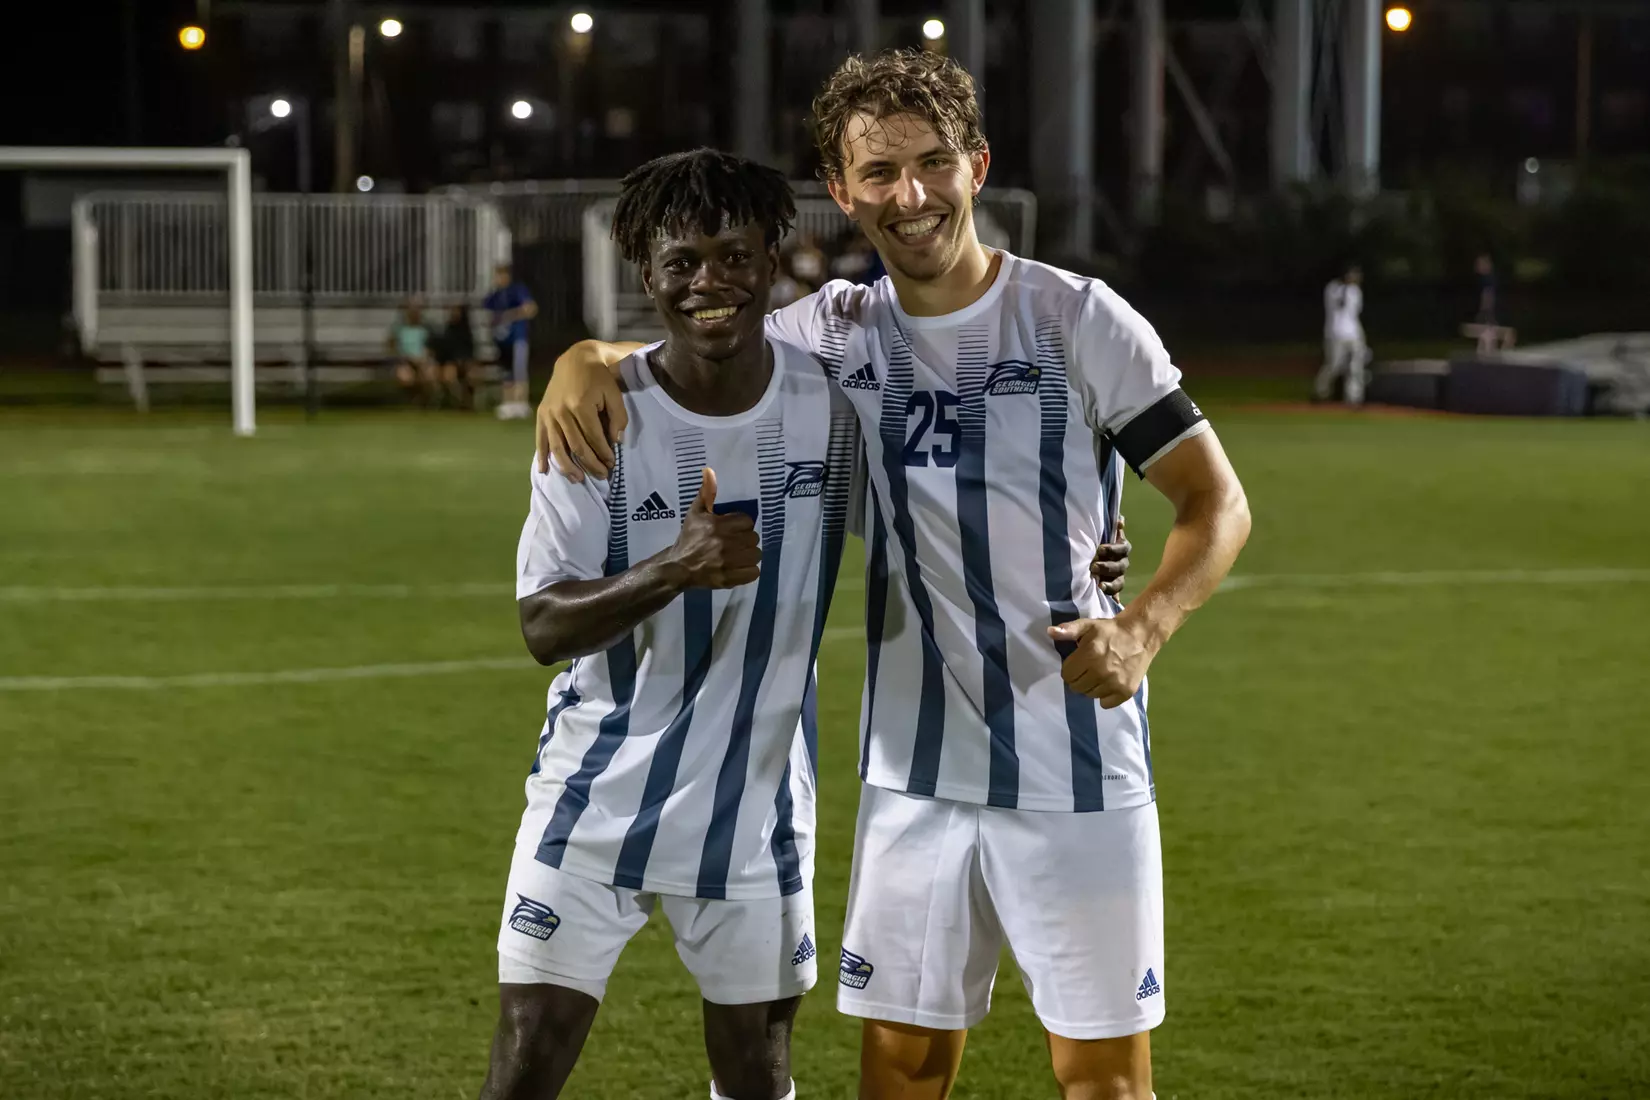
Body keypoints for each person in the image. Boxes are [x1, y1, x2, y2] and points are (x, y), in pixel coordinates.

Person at [535, 49, 1249, 1100]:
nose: (910, 196)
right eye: (879, 172)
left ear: (976, 165)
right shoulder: (831, 334)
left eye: (931, 164)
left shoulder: (1078, 317)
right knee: (902, 1073)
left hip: (1075, 762)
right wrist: (582, 358)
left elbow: (1216, 501)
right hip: (912, 775)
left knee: (1102, 1079)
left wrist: (1142, 628)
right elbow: (698, 335)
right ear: (843, 191)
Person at [480, 149, 859, 1100]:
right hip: (592, 800)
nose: (709, 282)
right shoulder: (596, 416)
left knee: (757, 1079)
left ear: (772, 260)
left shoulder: (833, 409)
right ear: (645, 275)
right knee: (521, 1075)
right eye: (681, 262)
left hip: (755, 811)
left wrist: (1089, 547)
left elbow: (940, 509)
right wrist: (673, 569)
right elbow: (542, 624)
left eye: (734, 257)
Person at [486, 264, 539, 421]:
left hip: (518, 338)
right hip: (503, 341)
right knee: (506, 372)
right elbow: (489, 313)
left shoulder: (517, 291)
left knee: (519, 370)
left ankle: (521, 403)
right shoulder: (496, 295)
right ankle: (508, 403)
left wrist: (509, 315)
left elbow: (530, 309)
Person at [1314, 264, 1368, 405]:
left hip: (1354, 333)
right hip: (1335, 333)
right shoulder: (1333, 288)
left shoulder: (1355, 291)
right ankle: (1321, 392)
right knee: (1334, 365)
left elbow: (1355, 312)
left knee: (1356, 367)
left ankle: (1354, 397)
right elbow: (1338, 304)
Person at [389, 296, 437, 405]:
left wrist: (426, 358)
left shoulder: (427, 328)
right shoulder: (399, 328)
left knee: (429, 375)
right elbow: (392, 348)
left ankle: (426, 403)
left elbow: (432, 348)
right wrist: (404, 358)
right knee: (406, 378)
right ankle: (413, 401)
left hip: (423, 361)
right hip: (404, 362)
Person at [433, 303, 479, 409]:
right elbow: (445, 351)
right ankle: (459, 402)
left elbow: (470, 351)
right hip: (451, 362)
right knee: (449, 376)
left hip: (465, 362)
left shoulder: (467, 332)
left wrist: (464, 361)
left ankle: (469, 402)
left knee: (474, 375)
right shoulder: (449, 330)